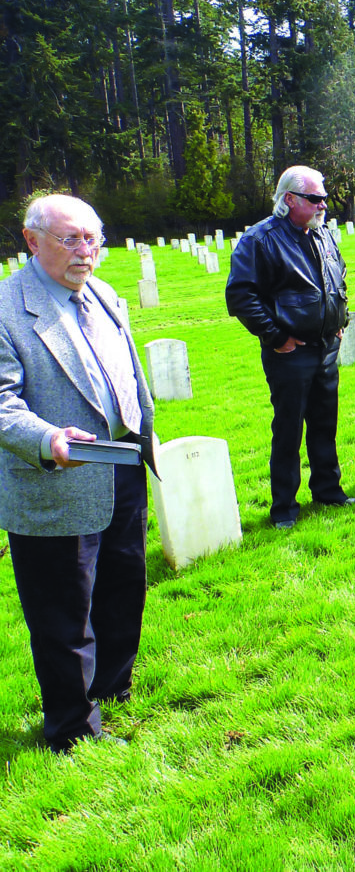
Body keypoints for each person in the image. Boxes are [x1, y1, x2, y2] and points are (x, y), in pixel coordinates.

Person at [0, 194, 157, 753]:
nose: (85, 251)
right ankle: (72, 728)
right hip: (55, 479)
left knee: (122, 589)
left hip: (121, 467)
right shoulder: (7, 308)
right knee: (64, 611)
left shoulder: (105, 294)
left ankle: (113, 691)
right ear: (31, 239)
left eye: (92, 238)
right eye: (70, 239)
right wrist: (46, 438)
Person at [226, 165, 355, 529]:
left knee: (324, 423)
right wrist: (276, 336)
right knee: (288, 429)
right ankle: (284, 508)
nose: (323, 205)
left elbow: (338, 278)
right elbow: (241, 296)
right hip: (290, 351)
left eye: (324, 198)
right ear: (289, 199)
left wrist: (339, 322)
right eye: (315, 199)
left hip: (325, 347)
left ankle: (329, 492)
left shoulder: (322, 235)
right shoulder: (261, 239)